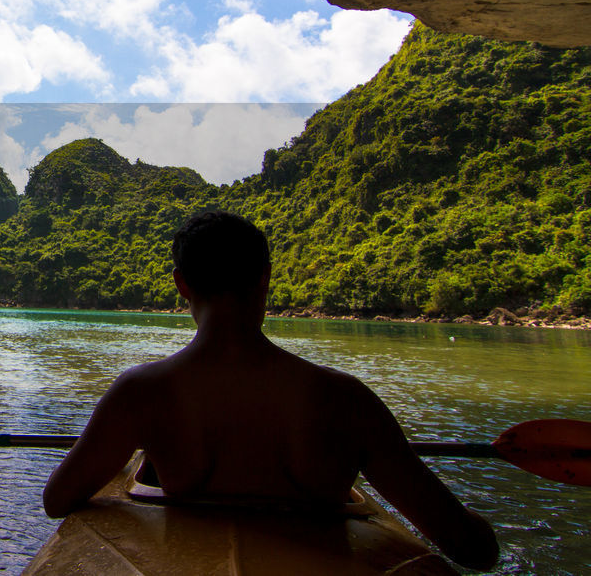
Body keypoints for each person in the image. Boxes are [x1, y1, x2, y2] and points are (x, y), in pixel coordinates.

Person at [42, 210, 499, 571]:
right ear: (265, 278)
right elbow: (474, 550)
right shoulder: (346, 399)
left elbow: (57, 500)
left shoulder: (143, 391)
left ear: (181, 283)